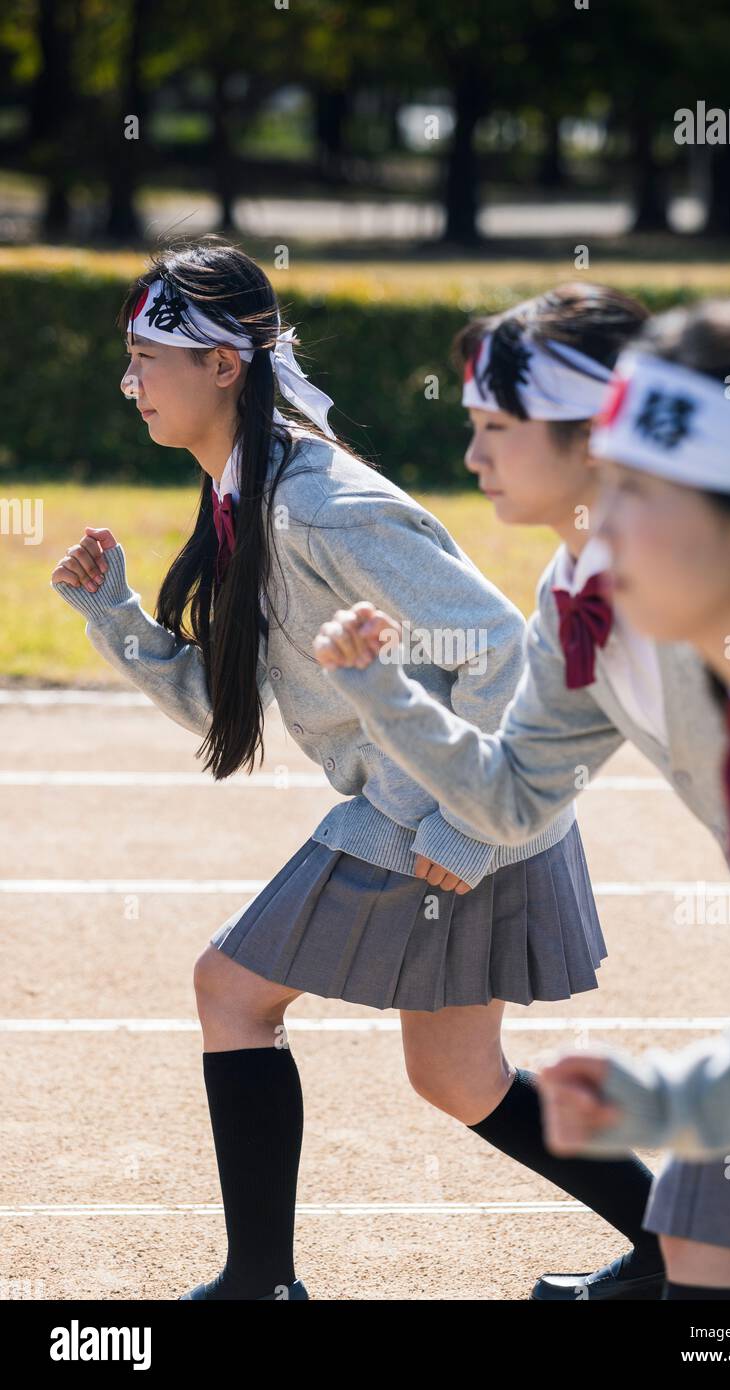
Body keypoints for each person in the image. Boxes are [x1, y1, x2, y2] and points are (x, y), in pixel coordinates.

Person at [49, 239, 654, 1301]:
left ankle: (261, 1284)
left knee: (229, 990)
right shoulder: (250, 495)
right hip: (429, 811)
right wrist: (116, 616)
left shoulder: (318, 500)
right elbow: (224, 702)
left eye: (147, 356)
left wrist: (467, 830)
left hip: (444, 815)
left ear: (223, 365)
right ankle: (672, 1253)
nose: (128, 380)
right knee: (456, 1078)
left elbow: (502, 655)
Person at [314, 290, 730, 1300]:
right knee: (705, 1205)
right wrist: (383, 693)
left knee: (710, 1200)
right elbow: (516, 792)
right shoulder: (603, 603)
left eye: (631, 490)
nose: (597, 531)